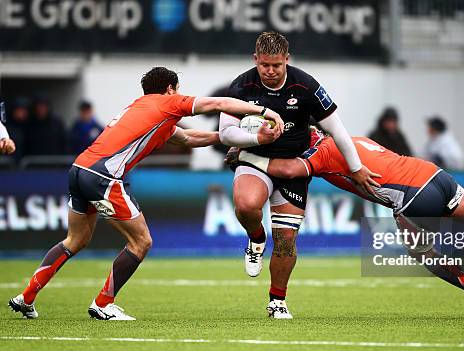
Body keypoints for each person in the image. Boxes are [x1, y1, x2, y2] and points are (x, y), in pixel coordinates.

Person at [228, 128, 464, 318]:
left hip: (411, 196)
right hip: (434, 175)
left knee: (423, 253)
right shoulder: (350, 138)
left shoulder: (321, 151)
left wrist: (247, 156)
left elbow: (291, 169)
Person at [8, 66, 283, 321]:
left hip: (79, 170)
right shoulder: (167, 102)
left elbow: (189, 138)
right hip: (104, 177)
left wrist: (242, 140)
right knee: (141, 242)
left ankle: (26, 297)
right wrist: (264, 111)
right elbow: (220, 103)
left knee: (75, 239)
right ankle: (103, 304)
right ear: (171, 88)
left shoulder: (142, 109)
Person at [219, 31, 379, 319]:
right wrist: (258, 140)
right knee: (245, 204)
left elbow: (338, 130)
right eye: (264, 65)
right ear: (255, 59)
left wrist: (356, 168)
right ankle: (256, 238)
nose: (270, 71)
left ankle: (277, 301)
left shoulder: (305, 85)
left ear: (287, 60)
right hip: (255, 159)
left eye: (276, 65)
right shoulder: (241, 85)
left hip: (294, 166)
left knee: (285, 241)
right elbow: (225, 132)